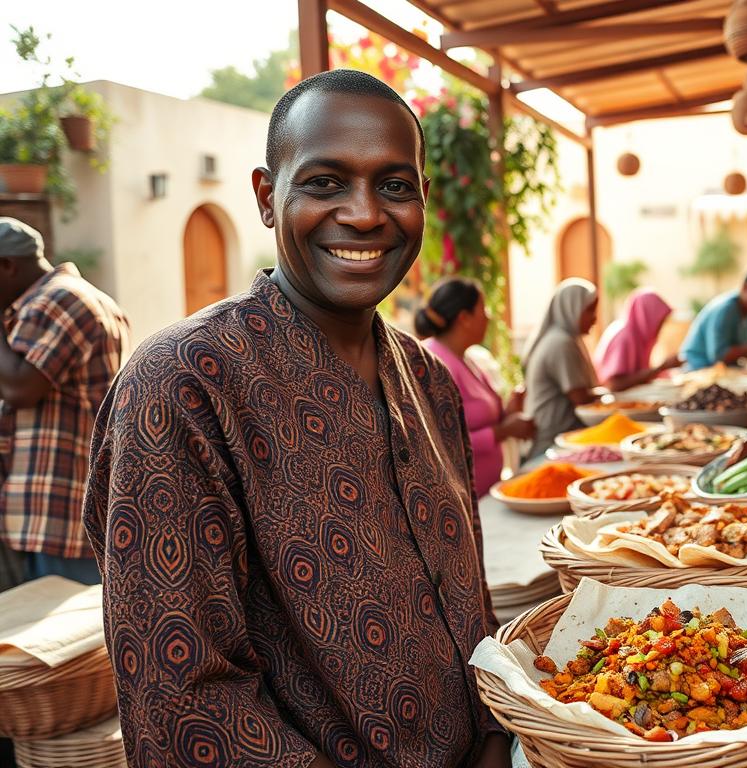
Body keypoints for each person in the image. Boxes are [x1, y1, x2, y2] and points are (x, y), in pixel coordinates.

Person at [83, 70, 509, 767]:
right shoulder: (185, 383)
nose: (365, 214)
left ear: (423, 200)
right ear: (266, 197)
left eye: (395, 186)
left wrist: (494, 733)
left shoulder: (428, 379)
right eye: (325, 182)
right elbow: (185, 701)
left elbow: (468, 596)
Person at [0, 217, 127, 587]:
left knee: (56, 619)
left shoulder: (62, 299)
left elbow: (20, 388)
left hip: (58, 513)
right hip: (43, 513)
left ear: (7, 266)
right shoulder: (47, 301)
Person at [416, 278, 535, 497]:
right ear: (464, 318)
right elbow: (439, 442)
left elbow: (483, 419)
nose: (489, 317)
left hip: (485, 493)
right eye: (483, 309)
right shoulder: (431, 363)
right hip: (457, 497)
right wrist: (504, 431)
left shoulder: (468, 358)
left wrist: (510, 412)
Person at [522, 278, 600, 459]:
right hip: (551, 445)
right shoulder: (560, 343)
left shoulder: (566, 338)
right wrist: (613, 396)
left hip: (562, 439)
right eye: (589, 310)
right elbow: (581, 399)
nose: (595, 318)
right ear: (571, 308)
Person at [680, 269, 747, 371]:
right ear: (746, 287)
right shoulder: (725, 309)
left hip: (725, 370)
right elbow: (720, 356)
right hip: (700, 368)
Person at [594, 288, 680, 391]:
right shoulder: (624, 336)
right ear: (647, 316)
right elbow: (614, 385)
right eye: (659, 321)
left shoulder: (637, 336)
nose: (660, 327)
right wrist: (661, 367)